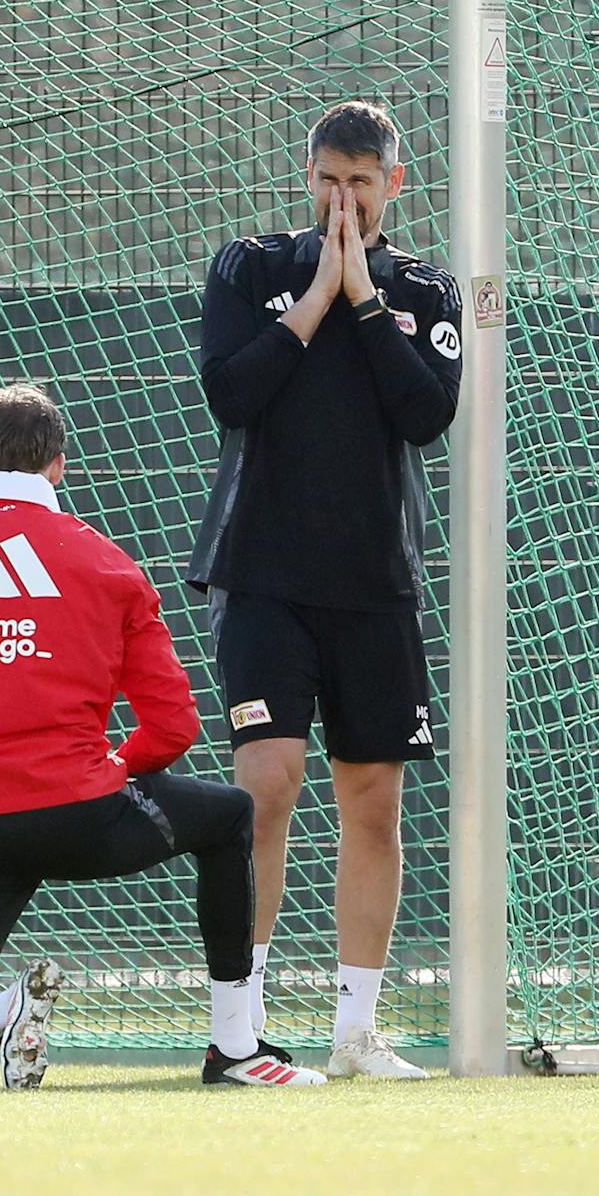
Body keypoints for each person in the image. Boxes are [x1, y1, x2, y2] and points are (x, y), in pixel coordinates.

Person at [0, 384, 324, 1090]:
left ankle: (2, 1010)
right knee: (228, 815)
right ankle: (234, 1046)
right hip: (83, 816)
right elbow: (175, 726)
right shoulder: (107, 563)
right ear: (60, 465)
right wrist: (109, 770)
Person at [185, 100, 462, 1079]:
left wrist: (364, 302)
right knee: (266, 784)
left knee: (372, 798)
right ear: (307, 176)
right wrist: (314, 301)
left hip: (376, 582)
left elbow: (426, 412)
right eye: (327, 179)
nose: (341, 198)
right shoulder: (250, 267)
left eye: (360, 181)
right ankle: (241, 1023)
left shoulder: (426, 289)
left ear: (394, 184)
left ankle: (356, 1028)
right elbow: (230, 391)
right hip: (261, 574)